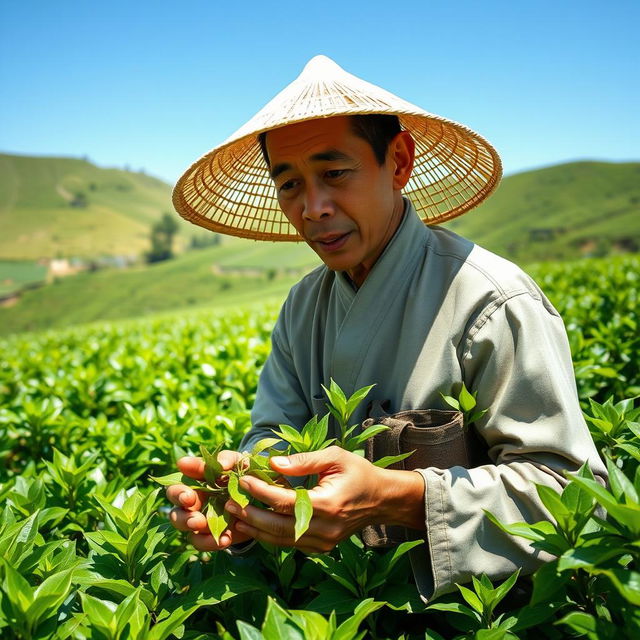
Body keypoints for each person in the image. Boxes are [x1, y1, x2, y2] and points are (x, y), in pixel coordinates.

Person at [166, 56, 606, 600]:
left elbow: (572, 492)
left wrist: (396, 497)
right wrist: (245, 493)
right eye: (291, 184)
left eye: (334, 174)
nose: (313, 208)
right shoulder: (303, 306)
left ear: (398, 163)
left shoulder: (491, 299)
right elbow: (272, 435)